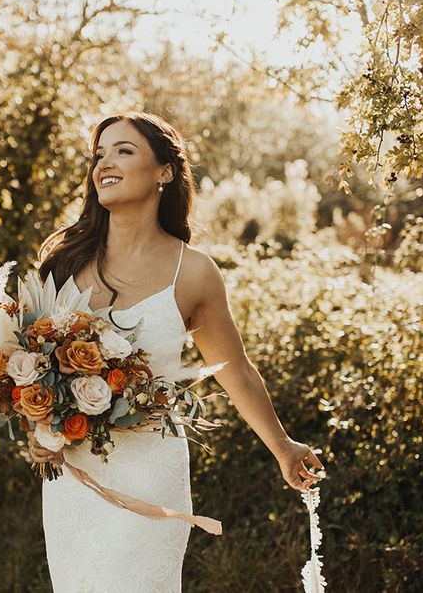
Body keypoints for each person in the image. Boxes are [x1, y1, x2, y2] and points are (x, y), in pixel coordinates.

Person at [33, 111, 325, 592]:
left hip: (151, 471)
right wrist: (38, 425)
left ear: (164, 171)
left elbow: (236, 369)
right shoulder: (64, 263)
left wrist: (283, 447)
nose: (105, 162)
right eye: (99, 154)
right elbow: (35, 366)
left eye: (124, 151)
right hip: (75, 476)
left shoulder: (192, 273)